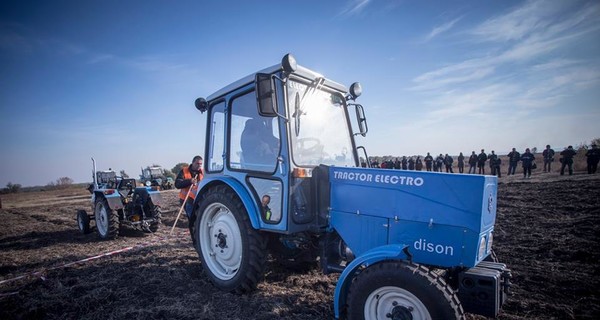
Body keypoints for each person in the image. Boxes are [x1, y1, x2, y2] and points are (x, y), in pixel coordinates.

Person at [175, 156, 204, 226]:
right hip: (186, 200)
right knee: (192, 219)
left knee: (200, 219)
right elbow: (177, 184)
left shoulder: (203, 172)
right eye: (197, 163)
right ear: (193, 163)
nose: (199, 165)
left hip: (199, 200)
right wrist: (189, 181)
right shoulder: (184, 171)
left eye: (200, 164)